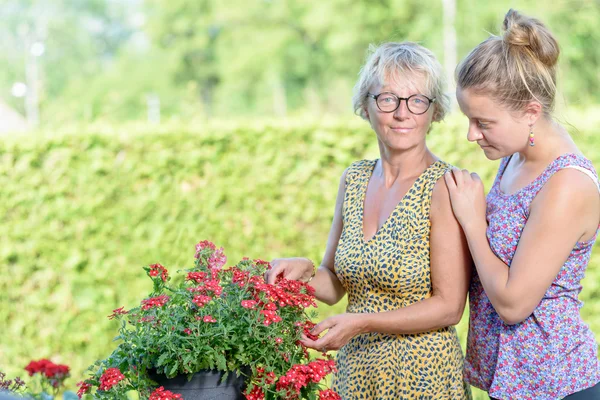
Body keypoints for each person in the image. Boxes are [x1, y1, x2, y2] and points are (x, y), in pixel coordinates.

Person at [266, 42, 472, 399]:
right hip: (356, 371)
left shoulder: (444, 186)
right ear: (366, 106)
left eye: (418, 100)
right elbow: (334, 287)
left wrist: (360, 322)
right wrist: (304, 271)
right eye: (388, 98)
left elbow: (449, 307)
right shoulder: (355, 178)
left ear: (435, 112)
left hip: (422, 376)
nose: (403, 113)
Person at [444, 9, 600, 399]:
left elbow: (514, 304)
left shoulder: (567, 184)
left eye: (483, 122)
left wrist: (472, 220)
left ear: (531, 111)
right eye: (468, 119)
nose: (471, 134)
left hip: (556, 384)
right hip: (514, 382)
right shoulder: (516, 155)